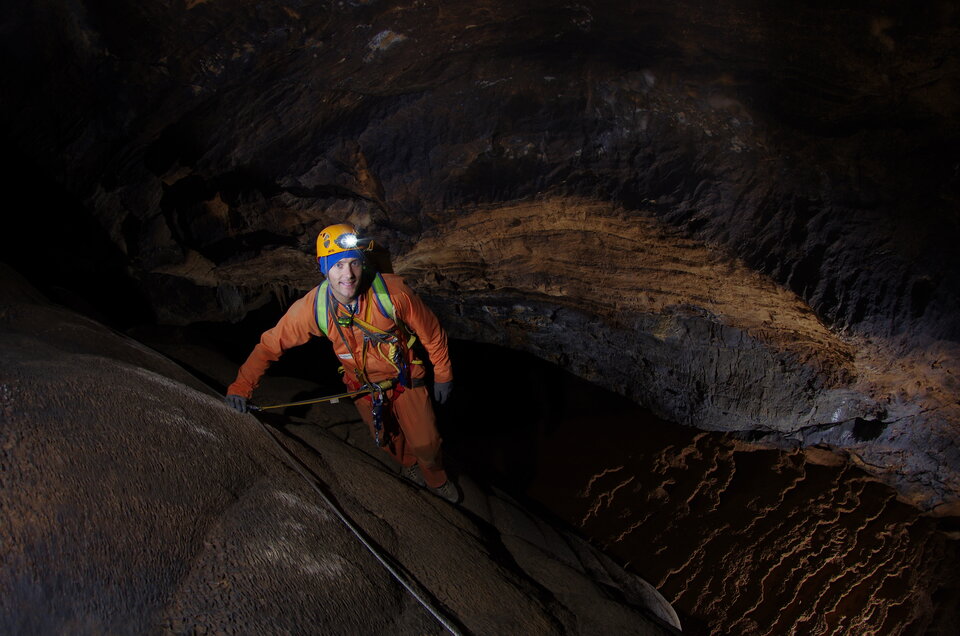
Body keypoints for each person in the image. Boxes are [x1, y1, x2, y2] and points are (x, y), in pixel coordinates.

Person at [224, 223, 459, 503]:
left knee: (427, 443)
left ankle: (436, 479)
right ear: (324, 269)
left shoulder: (393, 294)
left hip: (405, 380)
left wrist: (443, 374)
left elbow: (432, 334)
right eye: (337, 266)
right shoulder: (314, 308)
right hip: (362, 388)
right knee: (385, 440)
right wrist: (241, 387)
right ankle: (409, 465)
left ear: (362, 264)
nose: (347, 275)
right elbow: (270, 345)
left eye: (353, 264)